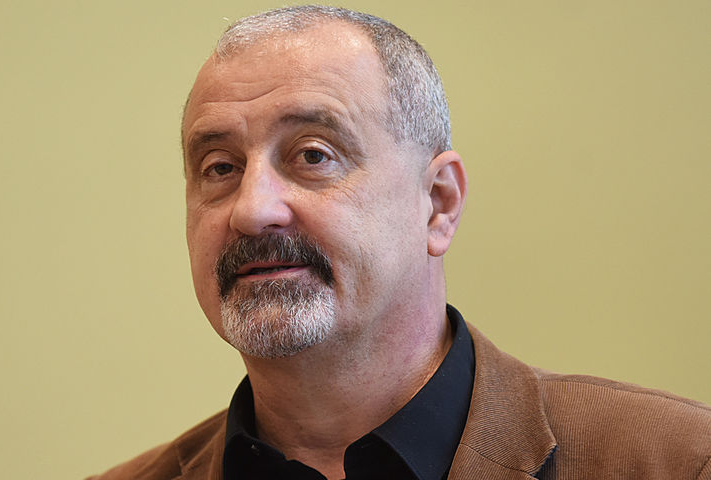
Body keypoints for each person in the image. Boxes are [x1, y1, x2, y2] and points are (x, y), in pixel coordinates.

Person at [89, 5, 710, 479]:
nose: (253, 210)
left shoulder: (679, 461)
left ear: (438, 203)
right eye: (220, 168)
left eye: (313, 155)